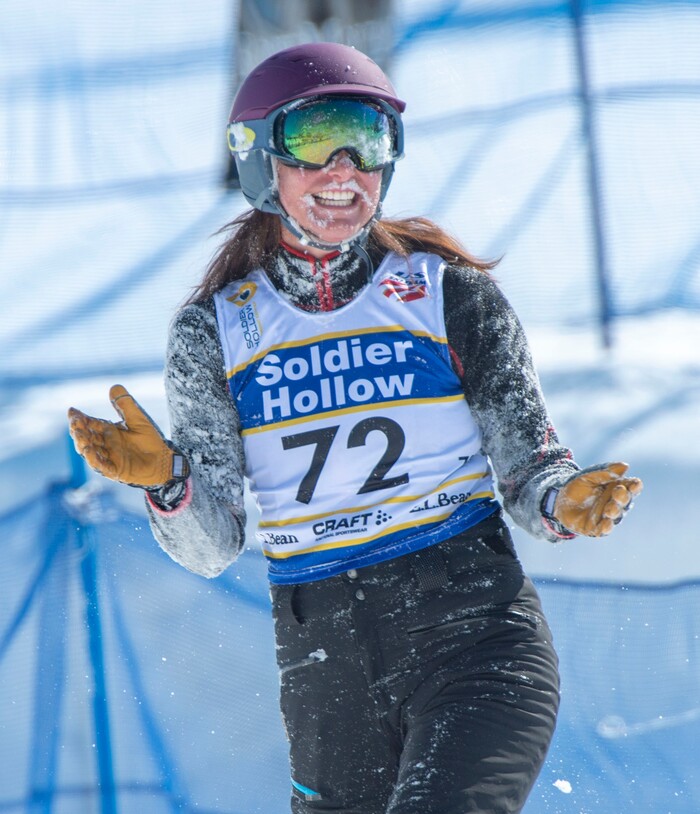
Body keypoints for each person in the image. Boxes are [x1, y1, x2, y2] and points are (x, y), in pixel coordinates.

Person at [68, 42, 643, 814]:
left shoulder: (449, 296)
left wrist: (561, 500)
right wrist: (168, 484)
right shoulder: (217, 330)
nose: (344, 168)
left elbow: (529, 467)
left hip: (473, 638)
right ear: (258, 159)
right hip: (325, 669)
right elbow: (211, 546)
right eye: (313, 142)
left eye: (368, 141)